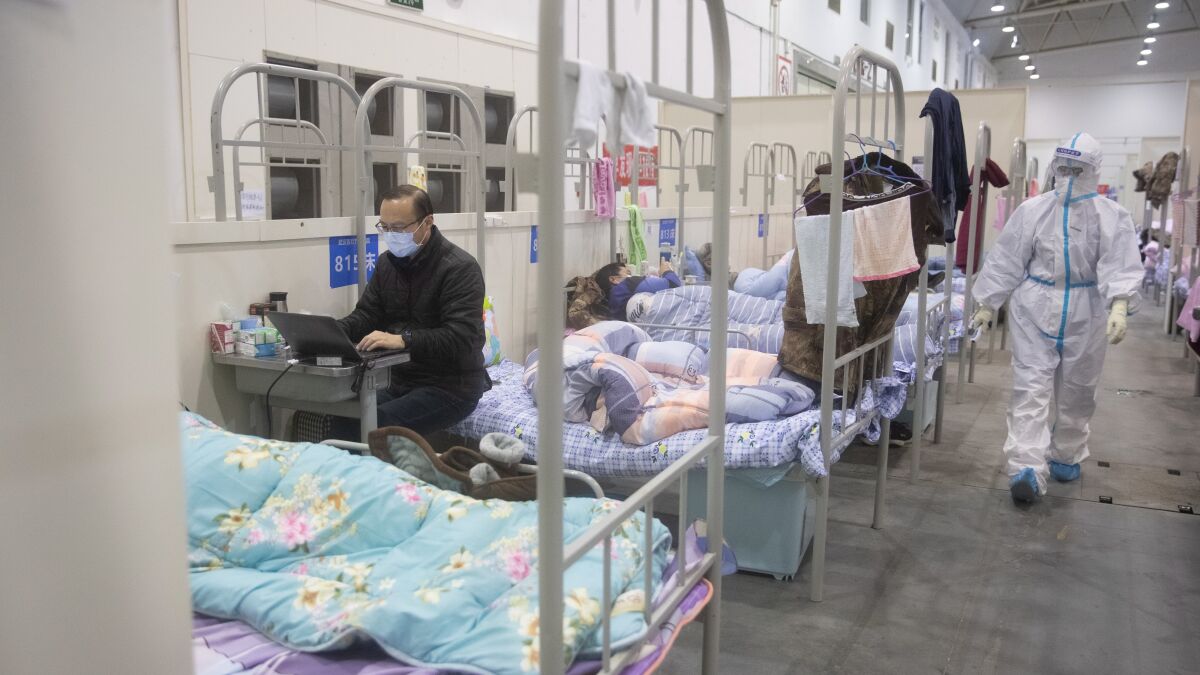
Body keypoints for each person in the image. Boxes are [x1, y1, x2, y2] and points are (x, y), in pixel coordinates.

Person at [969, 132, 1142, 504]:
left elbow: (1122, 263)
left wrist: (1119, 304)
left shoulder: (1112, 216)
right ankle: (1025, 467)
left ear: (1093, 171)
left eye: (1077, 170)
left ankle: (1067, 452)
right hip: (1035, 306)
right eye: (1063, 168)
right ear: (1054, 168)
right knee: (1029, 388)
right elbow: (1006, 259)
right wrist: (986, 303)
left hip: (1087, 309)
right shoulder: (1032, 210)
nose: (1068, 176)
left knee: (1078, 390)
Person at [336, 185, 489, 436]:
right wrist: (332, 332)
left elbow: (461, 337)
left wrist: (403, 340)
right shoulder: (387, 264)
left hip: (450, 386)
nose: (391, 235)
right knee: (342, 414)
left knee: (376, 425)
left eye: (398, 228)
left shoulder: (459, 268)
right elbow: (367, 315)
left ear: (427, 222)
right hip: (398, 379)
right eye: (385, 227)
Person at [594, 259, 682, 320]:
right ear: (614, 279)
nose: (632, 276)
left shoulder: (610, 303)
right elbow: (673, 284)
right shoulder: (627, 284)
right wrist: (666, 270)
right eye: (628, 273)